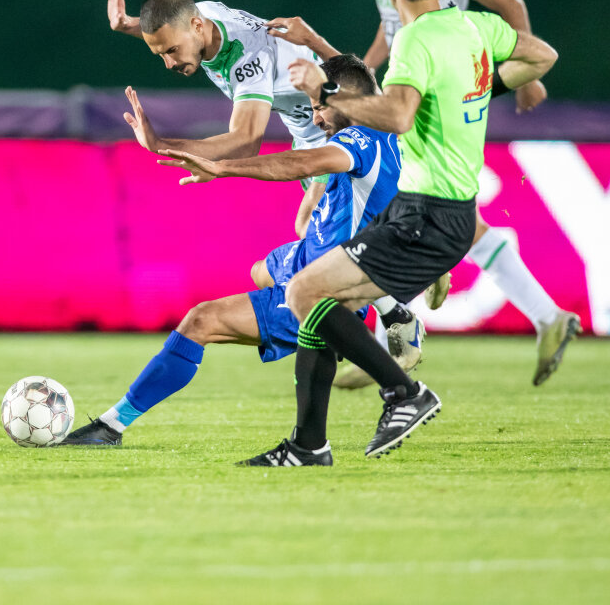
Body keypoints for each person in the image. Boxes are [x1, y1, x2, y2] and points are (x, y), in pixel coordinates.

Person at [270, 0, 559, 462]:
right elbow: (543, 56)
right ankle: (308, 444)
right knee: (321, 301)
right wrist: (478, 89)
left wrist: (326, 91)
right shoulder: (476, 27)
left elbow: (398, 114)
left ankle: (404, 392)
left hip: (426, 216)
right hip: (444, 212)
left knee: (304, 293)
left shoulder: (414, 40)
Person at [58, 55, 399, 465]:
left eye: (320, 106)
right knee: (260, 270)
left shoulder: (359, 140)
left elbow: (300, 163)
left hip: (323, 284)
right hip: (312, 258)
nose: (315, 117)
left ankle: (111, 425)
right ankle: (349, 335)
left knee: (201, 320)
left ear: (346, 100)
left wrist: (222, 167)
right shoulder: (388, 138)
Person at [105, 0, 424, 364]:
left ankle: (388, 307)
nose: (169, 63)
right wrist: (128, 24)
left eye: (170, 51)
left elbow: (245, 141)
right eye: (162, 53)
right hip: (315, 126)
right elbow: (174, 27)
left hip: (338, 128)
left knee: (316, 235)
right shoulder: (199, 17)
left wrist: (160, 144)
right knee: (291, 249)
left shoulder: (247, 60)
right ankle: (386, 303)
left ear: (198, 27)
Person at [355, 0, 579, 387]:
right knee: (432, 208)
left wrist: (524, 77)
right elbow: (392, 24)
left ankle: (397, 332)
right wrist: (364, 70)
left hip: (439, 94)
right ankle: (543, 315)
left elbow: (511, 6)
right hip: (409, 86)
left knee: (389, 195)